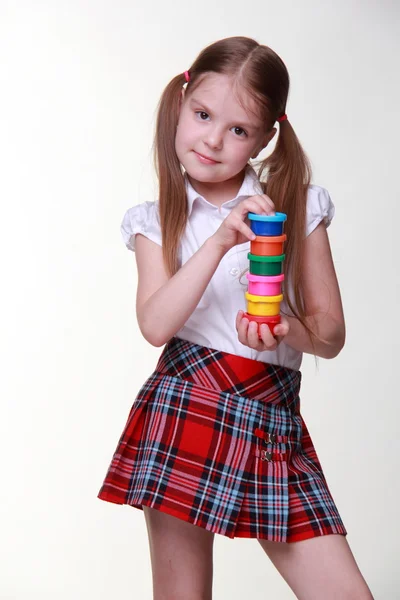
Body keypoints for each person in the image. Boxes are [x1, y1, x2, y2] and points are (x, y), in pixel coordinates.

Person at [98, 36, 373, 600]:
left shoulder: (298, 207)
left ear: (266, 137)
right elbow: (155, 324)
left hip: (273, 417)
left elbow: (331, 334)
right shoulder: (153, 222)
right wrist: (222, 238)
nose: (213, 140)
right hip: (186, 407)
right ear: (180, 104)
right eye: (202, 115)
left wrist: (288, 329)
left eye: (239, 130)